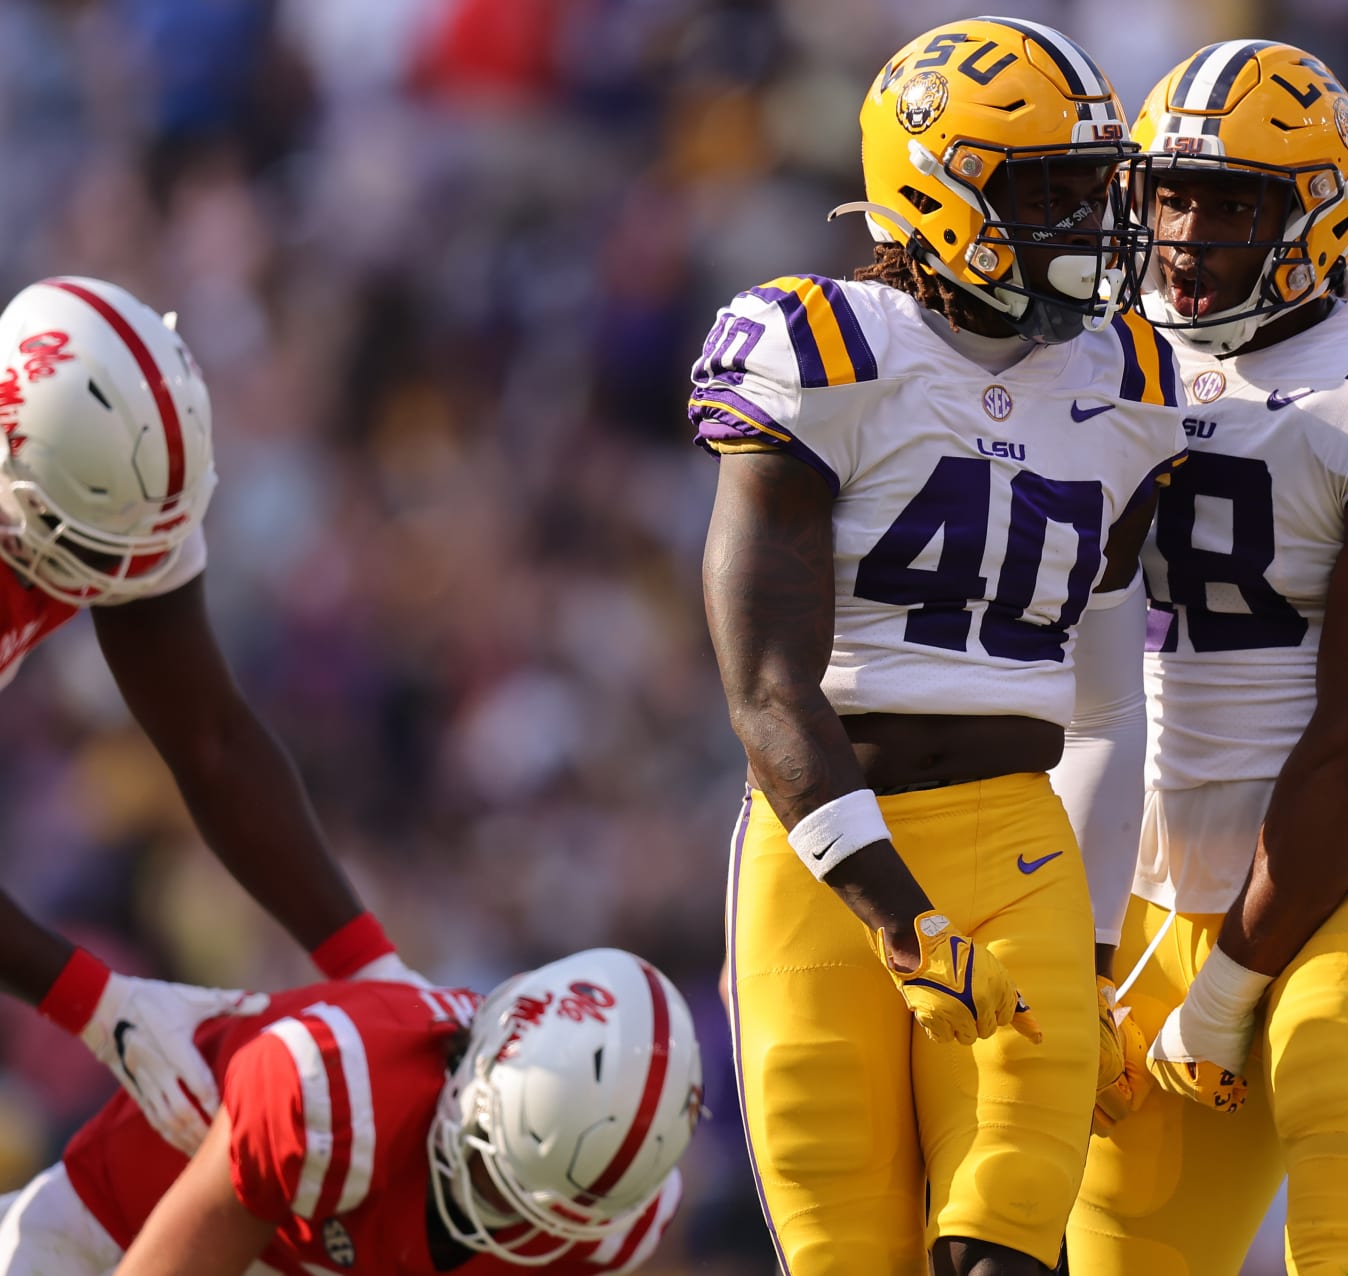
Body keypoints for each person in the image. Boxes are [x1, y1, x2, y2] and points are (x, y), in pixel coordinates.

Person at [691, 17, 1189, 1276]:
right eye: (1050, 191)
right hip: (822, 867)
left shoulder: (1126, 382)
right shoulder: (823, 350)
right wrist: (903, 925)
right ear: (938, 190)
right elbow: (764, 691)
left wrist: (1087, 961)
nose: (1089, 222)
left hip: (1017, 851)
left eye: (1096, 187)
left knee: (1005, 1252)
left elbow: (1106, 710)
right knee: (850, 1256)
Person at [1054, 41, 1348, 1275]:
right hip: (1145, 880)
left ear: (1320, 213)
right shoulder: (1092, 366)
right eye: (1171, 193)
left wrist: (1225, 992)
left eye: (1236, 201)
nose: (1191, 232)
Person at [0, 276, 418, 1155]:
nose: (127, 577)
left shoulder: (104, 491)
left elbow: (210, 738)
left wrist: (372, 971)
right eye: (98, 550)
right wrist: (97, 1003)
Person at [0, 947, 701, 1275]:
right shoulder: (336, 1090)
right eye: (490, 1168)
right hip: (114, 1231)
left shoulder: (609, 1219)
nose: (491, 1214)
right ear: (478, 1054)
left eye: (525, 1203)